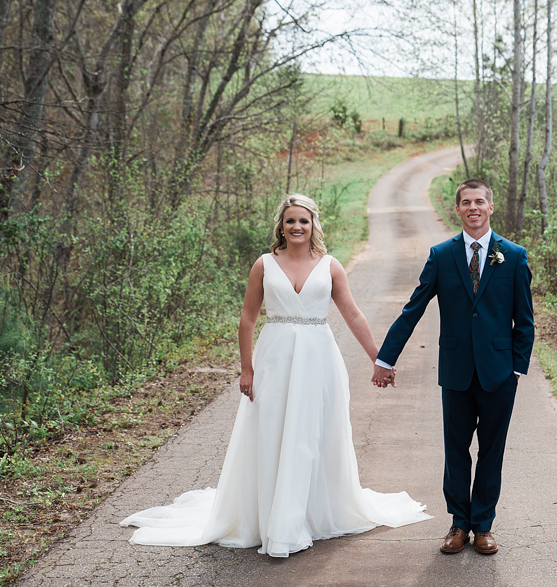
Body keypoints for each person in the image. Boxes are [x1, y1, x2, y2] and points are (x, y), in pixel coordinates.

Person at [121, 194, 431, 557]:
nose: (297, 227)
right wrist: (247, 368)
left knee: (312, 434)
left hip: (318, 357)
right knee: (273, 430)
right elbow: (248, 319)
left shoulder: (330, 265)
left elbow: (354, 315)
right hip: (275, 357)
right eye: (290, 221)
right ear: (281, 227)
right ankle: (272, 516)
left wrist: (381, 359)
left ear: (314, 224)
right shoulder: (264, 264)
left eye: (303, 221)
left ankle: (305, 515)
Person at [373, 178, 534, 555]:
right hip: (457, 372)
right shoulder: (441, 255)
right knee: (456, 450)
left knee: (491, 452)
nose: (473, 207)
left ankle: (484, 526)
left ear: (490, 207)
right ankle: (459, 524)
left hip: (499, 374)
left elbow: (524, 321)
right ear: (457, 209)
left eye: (480, 201)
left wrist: (516, 369)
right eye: (466, 202)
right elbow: (414, 309)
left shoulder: (513, 255)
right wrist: (386, 358)